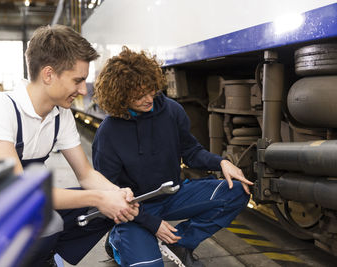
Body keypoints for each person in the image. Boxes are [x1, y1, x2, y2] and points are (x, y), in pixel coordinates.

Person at [0, 26, 139, 266]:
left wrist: (116, 194)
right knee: (68, 213)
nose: (83, 90)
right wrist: (99, 198)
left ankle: (42, 258)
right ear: (48, 75)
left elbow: (85, 174)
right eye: (78, 80)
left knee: (107, 210)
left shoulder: (59, 114)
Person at [92, 47, 253, 267]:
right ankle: (116, 240)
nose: (149, 99)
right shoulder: (108, 133)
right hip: (133, 208)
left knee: (236, 192)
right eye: (139, 96)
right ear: (120, 96)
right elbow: (108, 194)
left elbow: (191, 152)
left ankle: (181, 243)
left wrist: (222, 162)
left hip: (172, 195)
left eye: (151, 91)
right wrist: (153, 224)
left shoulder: (171, 110)